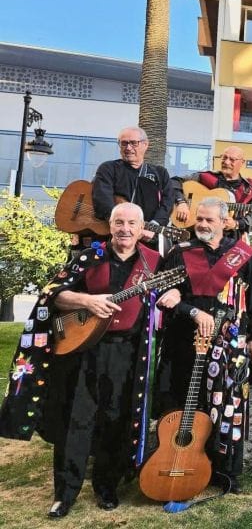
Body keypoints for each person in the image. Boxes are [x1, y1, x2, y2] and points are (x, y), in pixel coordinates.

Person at [0, 203, 165, 518]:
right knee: (77, 420)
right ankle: (65, 494)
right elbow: (53, 295)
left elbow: (172, 296)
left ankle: (106, 488)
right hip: (85, 351)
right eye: (119, 222)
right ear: (110, 225)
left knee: (115, 420)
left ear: (142, 228)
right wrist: (86, 299)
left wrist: (173, 297)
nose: (125, 229)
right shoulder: (89, 257)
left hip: (127, 353)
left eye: (132, 223)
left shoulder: (154, 262)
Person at [155, 197, 252, 494]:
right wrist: (187, 310)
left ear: (224, 221)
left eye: (208, 220)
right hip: (184, 344)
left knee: (229, 407)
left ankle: (227, 472)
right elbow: (163, 295)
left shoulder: (242, 255)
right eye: (199, 219)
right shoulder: (181, 253)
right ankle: (179, 464)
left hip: (230, 346)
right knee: (184, 404)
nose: (202, 225)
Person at [91, 127, 178, 248]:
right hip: (113, 237)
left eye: (133, 143)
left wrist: (154, 225)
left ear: (145, 144)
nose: (128, 148)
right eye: (124, 143)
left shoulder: (160, 173)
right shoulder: (108, 168)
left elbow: (168, 202)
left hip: (147, 238)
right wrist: (122, 225)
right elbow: (102, 199)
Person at [173, 145, 252, 238]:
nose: (226, 162)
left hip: (229, 238)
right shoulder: (206, 177)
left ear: (242, 162)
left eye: (232, 159)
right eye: (224, 157)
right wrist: (181, 203)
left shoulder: (250, 188)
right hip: (196, 235)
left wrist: (236, 223)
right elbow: (175, 181)